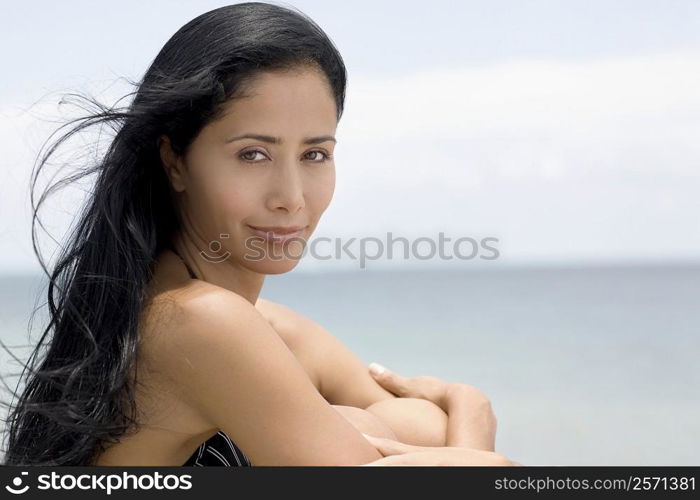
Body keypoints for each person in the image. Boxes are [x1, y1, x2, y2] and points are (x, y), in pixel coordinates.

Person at [1, 2, 518, 467]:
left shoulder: (259, 325)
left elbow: (421, 425)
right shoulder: (200, 321)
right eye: (253, 154)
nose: (291, 196)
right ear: (174, 161)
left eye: (314, 154)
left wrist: (417, 436)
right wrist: (474, 416)